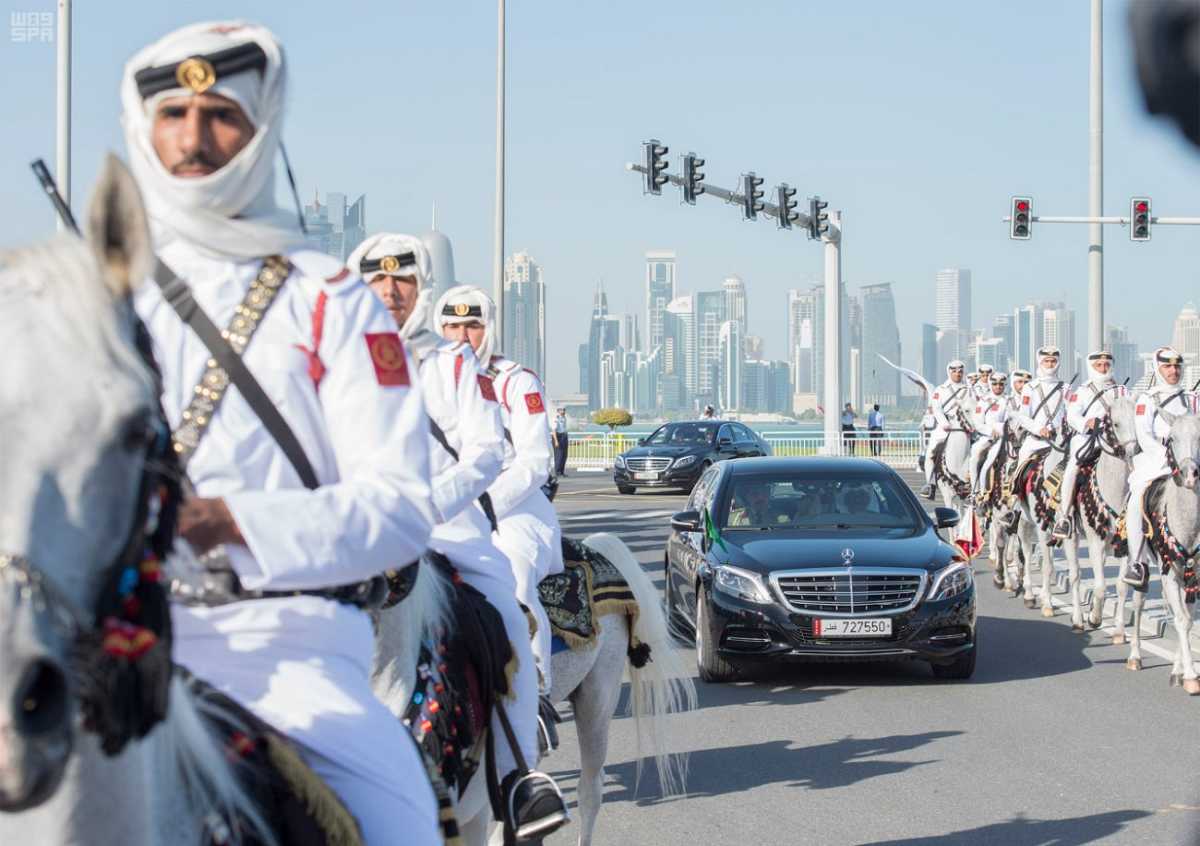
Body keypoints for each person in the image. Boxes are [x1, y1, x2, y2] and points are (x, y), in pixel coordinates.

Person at [122, 22, 439, 842]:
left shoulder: (332, 297)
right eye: (173, 114)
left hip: (287, 658)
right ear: (142, 126)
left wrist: (229, 522)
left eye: (220, 113)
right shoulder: (103, 290)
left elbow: (401, 509)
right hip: (117, 642)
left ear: (259, 129)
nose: (193, 139)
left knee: (398, 818)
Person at [348, 235, 566, 837]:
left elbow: (487, 452)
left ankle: (520, 778)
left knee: (505, 621)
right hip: (358, 531)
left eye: (404, 282)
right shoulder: (336, 360)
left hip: (447, 532)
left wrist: (421, 507)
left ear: (421, 291)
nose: (390, 293)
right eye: (377, 281)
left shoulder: (448, 363)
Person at [433, 286, 565, 699]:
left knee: (517, 581)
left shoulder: (514, 381)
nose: (461, 335)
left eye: (472, 325)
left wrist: (485, 504)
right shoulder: (425, 380)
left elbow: (535, 461)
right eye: (451, 325)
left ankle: (536, 692)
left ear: (487, 329)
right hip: (442, 506)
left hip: (512, 508)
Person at [1124, 346, 1198, 588]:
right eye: (1167, 366)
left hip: (1191, 463)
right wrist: (1167, 457)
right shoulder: (1148, 398)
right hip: (1156, 464)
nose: (1173, 371)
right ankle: (1137, 563)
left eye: (1177, 366)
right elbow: (1144, 434)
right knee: (1135, 502)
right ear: (1158, 368)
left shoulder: (1192, 398)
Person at [1051, 351, 1126, 540]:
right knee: (1072, 468)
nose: (1103, 368)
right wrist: (1087, 423)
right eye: (1098, 365)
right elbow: (1072, 415)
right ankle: (1065, 516)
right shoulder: (1083, 390)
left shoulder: (1122, 391)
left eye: (1106, 365)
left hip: (1115, 440)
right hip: (1087, 438)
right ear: (1091, 367)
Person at [920, 360, 970, 499]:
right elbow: (937, 409)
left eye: (960, 371)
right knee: (930, 453)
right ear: (949, 372)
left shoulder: (969, 390)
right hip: (946, 426)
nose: (957, 374)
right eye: (954, 371)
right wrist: (944, 423)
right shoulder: (941, 390)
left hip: (965, 427)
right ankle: (930, 484)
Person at [1014, 346, 1067, 471]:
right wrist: (1039, 429)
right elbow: (1023, 417)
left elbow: (1070, 413)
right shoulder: (1030, 387)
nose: (1050, 364)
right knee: (1020, 471)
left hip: (1059, 441)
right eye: (1046, 361)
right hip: (1035, 441)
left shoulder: (1066, 388)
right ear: (1040, 362)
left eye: (1053, 361)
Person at [968, 372, 1009, 500]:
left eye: (1001, 384)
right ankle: (975, 491)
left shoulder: (1009, 400)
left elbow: (1013, 420)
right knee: (975, 456)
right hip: (988, 437)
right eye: (995, 384)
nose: (998, 387)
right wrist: (990, 431)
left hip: (1006, 437)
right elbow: (977, 423)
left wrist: (1001, 429)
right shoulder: (984, 401)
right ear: (991, 385)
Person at [552, 407, 569, 476]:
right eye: (562, 410)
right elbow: (554, 431)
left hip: (564, 436)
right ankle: (558, 471)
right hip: (558, 436)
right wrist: (556, 441)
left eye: (564, 410)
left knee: (564, 455)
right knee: (559, 455)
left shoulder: (564, 418)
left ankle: (562, 471)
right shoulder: (556, 419)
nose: (564, 411)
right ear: (558, 411)